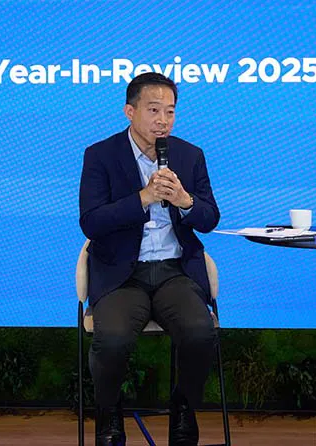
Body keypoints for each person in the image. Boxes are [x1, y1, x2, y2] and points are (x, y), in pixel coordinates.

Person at [79, 72, 220, 446]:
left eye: (170, 111)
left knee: (200, 333)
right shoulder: (100, 155)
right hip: (122, 275)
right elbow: (91, 222)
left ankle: (183, 407)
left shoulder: (189, 155)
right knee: (111, 340)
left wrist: (185, 201)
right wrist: (142, 198)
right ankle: (109, 413)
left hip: (175, 271)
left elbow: (210, 219)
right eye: (154, 110)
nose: (163, 120)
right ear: (130, 111)